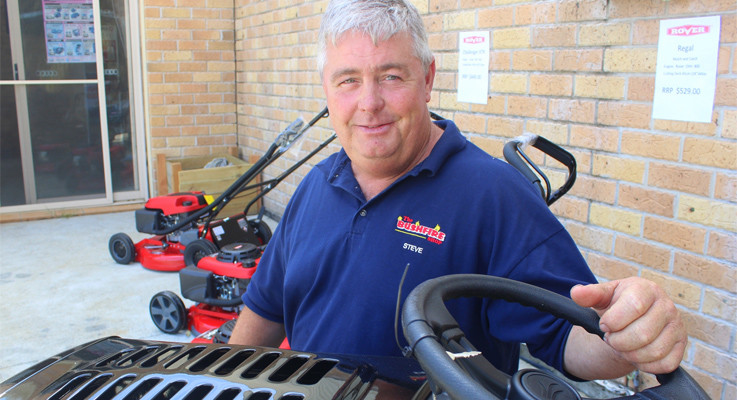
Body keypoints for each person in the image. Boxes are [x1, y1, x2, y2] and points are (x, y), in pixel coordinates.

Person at [230, 0, 686, 382]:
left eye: (391, 76)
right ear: (327, 90)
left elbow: (572, 337)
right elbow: (266, 309)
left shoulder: (494, 196)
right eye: (348, 80)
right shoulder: (317, 184)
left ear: (428, 79)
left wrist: (627, 334)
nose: (369, 103)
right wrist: (225, 379)